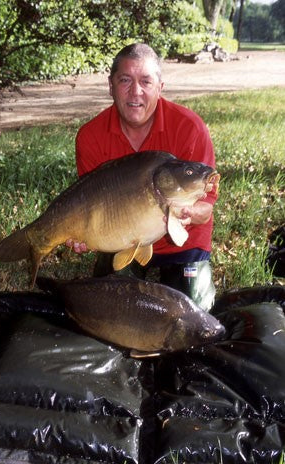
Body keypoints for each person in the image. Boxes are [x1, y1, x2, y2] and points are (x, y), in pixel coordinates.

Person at [66, 43, 218, 310]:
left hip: (183, 243)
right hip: (123, 240)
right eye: (125, 80)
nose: (135, 92)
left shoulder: (189, 128)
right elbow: (90, 204)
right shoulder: (90, 136)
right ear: (110, 85)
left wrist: (194, 213)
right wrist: (81, 234)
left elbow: (206, 207)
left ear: (160, 87)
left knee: (193, 315)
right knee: (111, 310)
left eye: (146, 81)